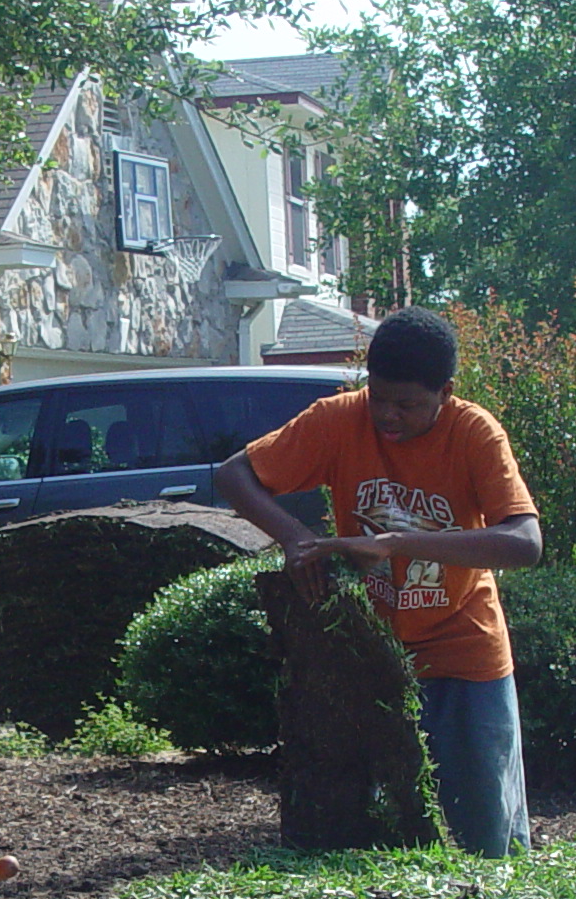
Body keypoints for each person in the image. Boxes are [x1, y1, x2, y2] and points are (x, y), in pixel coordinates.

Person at [217, 308, 543, 855]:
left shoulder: (474, 432)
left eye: (408, 405)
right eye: (379, 398)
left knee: (482, 836)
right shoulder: (338, 420)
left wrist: (393, 545)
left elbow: (524, 543)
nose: (388, 417)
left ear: (446, 392)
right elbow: (233, 474)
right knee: (375, 837)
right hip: (370, 654)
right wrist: (296, 538)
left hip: (463, 650)